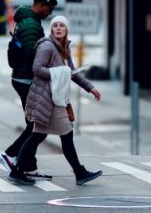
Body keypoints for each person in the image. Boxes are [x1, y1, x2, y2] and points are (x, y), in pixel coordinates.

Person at [7, 15, 103, 186]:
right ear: (51, 29)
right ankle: (79, 172)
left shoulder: (63, 47)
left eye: (62, 26)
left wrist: (90, 88)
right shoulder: (47, 47)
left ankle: (17, 171)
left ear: (66, 30)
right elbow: (37, 69)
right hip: (48, 98)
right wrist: (58, 72)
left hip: (53, 97)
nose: (58, 28)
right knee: (66, 133)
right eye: (55, 26)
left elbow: (72, 72)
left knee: (37, 135)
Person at [0, 0, 57, 181]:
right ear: (41, 4)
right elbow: (34, 57)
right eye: (50, 7)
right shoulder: (32, 25)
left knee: (33, 124)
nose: (51, 12)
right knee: (38, 126)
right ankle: (11, 154)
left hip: (20, 77)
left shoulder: (26, 20)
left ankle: (28, 165)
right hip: (26, 80)